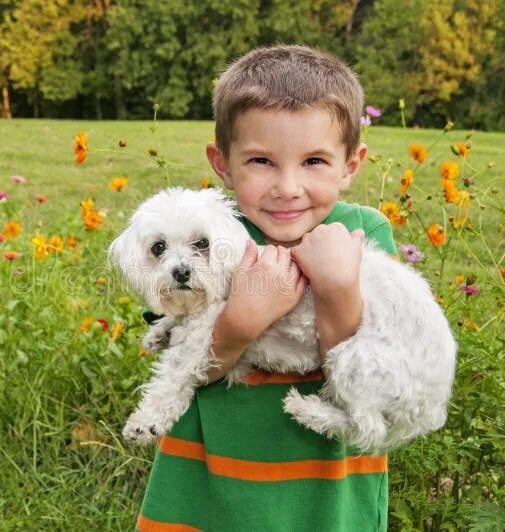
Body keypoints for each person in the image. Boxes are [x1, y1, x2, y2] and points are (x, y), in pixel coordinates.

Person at [137, 45, 401, 531]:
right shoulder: (203, 234)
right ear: (222, 162)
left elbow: (369, 381)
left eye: (314, 161)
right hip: (211, 479)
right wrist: (244, 318)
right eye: (261, 160)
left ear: (352, 163)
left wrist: (339, 285)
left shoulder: (364, 235)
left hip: (325, 483)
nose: (287, 186)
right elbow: (182, 360)